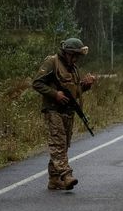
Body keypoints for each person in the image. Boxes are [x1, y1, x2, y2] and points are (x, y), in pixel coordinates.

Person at [32, 38, 95, 190]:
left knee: (63, 145)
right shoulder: (52, 62)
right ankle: (66, 175)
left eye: (78, 56)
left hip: (68, 111)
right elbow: (37, 83)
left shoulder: (73, 68)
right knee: (58, 143)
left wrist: (85, 85)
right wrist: (55, 94)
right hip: (53, 110)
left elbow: (74, 91)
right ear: (67, 53)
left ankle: (54, 179)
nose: (76, 59)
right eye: (74, 55)